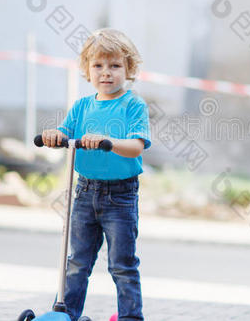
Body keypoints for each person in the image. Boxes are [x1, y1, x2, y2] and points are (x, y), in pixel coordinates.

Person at [42, 28, 151, 321]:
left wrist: (108, 141)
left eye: (115, 65)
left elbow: (137, 146)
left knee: (122, 263)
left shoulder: (133, 105)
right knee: (76, 261)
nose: (106, 73)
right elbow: (65, 133)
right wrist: (55, 135)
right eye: (98, 65)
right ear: (87, 70)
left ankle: (130, 316)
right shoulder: (81, 107)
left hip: (120, 196)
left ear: (128, 69)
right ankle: (65, 313)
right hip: (85, 192)